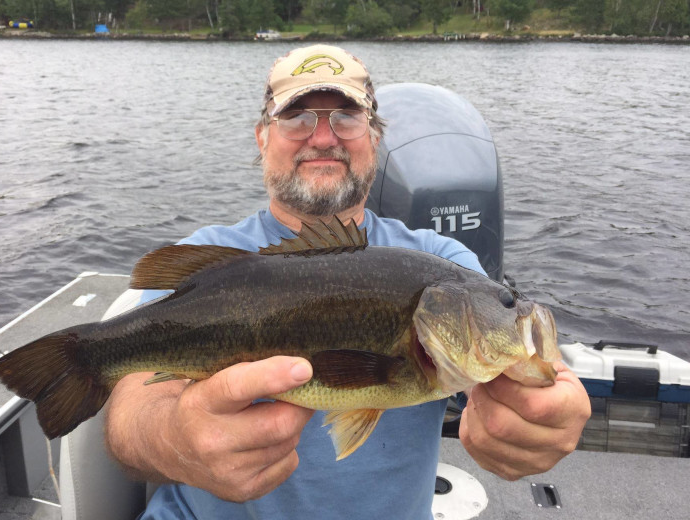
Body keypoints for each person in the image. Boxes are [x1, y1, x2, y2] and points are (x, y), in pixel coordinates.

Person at [104, 44, 592, 520]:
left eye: (346, 118)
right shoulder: (209, 260)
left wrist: (542, 413)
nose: (322, 137)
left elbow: (522, 379)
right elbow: (132, 415)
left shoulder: (443, 261)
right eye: (296, 118)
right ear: (261, 137)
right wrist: (174, 438)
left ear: (375, 138)